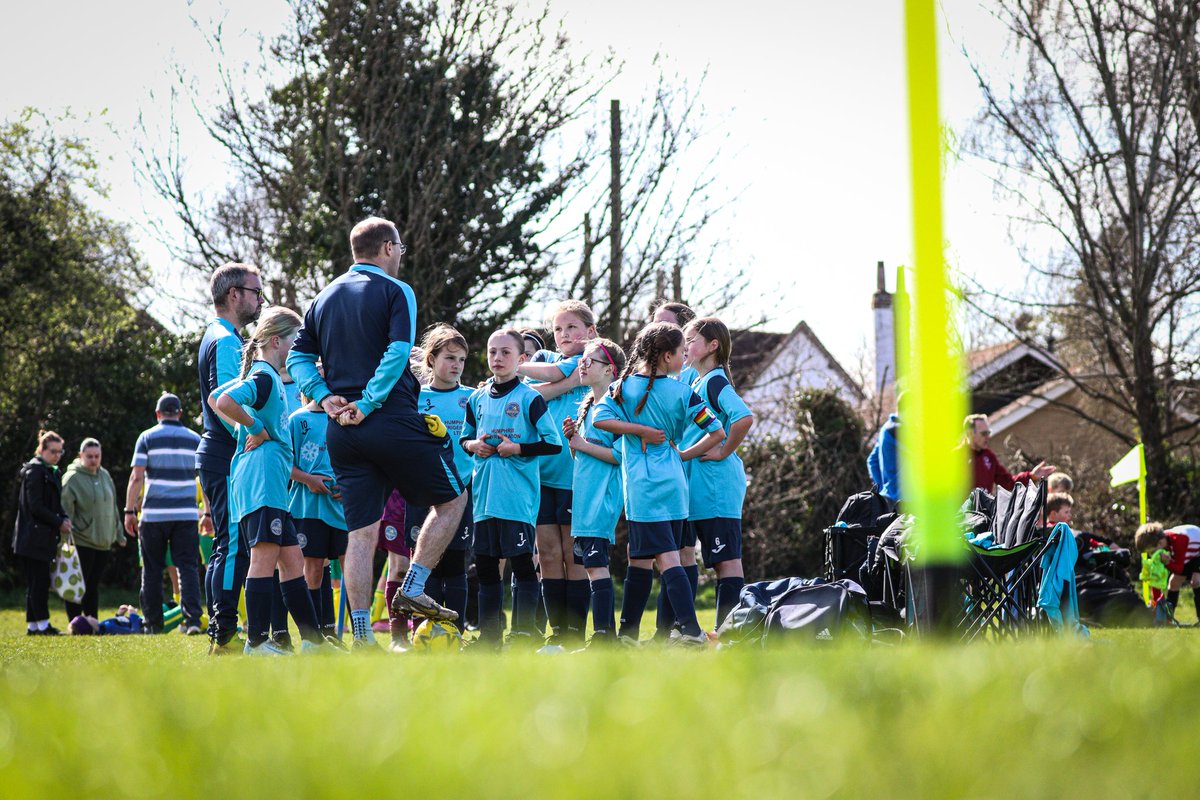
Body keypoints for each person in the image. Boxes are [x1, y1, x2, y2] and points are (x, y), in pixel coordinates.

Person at [287, 216, 469, 648]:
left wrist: (324, 396)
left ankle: (364, 637)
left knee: (361, 534)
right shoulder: (396, 290)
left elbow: (297, 357)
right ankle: (412, 587)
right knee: (453, 497)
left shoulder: (322, 297)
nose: (401, 256)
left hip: (342, 432)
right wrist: (367, 403)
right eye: (401, 248)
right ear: (388, 248)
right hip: (387, 419)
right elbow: (399, 351)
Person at [593, 321, 725, 647]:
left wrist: (637, 430)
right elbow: (718, 431)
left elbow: (599, 419)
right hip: (674, 485)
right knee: (638, 556)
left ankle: (692, 631)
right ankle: (628, 635)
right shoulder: (684, 391)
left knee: (666, 558)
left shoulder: (623, 388)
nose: (684, 357)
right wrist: (683, 454)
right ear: (667, 356)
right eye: (682, 351)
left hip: (643, 488)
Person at [210, 306, 333, 655]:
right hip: (261, 480)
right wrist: (255, 427)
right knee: (263, 558)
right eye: (297, 342)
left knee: (292, 560)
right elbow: (223, 400)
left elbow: (214, 398)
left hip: (275, 483)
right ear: (277, 341)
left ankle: (312, 642)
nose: (301, 350)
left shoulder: (270, 377)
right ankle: (256, 642)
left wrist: (252, 425)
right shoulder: (264, 376)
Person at [462, 329, 563, 648]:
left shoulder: (529, 398)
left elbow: (553, 444)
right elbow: (464, 438)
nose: (497, 358)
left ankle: (522, 632)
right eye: (492, 352)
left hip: (517, 499)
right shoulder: (476, 399)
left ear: (521, 359)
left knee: (521, 565)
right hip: (484, 499)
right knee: (488, 567)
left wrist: (516, 449)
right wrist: (473, 444)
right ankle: (490, 637)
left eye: (505, 353)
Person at [516, 300, 596, 648]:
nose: (564, 334)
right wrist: (560, 386)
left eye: (572, 327)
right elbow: (527, 393)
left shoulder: (594, 359)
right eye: (559, 328)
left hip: (576, 475)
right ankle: (557, 632)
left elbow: (542, 380)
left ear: (590, 331)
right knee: (548, 553)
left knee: (573, 553)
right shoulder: (548, 360)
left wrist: (527, 368)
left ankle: (576, 632)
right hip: (541, 473)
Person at [197, 261, 264, 653]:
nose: (259, 299)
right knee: (234, 545)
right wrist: (253, 432)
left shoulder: (219, 335)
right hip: (226, 454)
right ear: (234, 294)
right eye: (256, 292)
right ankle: (224, 637)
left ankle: (221, 633)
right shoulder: (225, 339)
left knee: (226, 544)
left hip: (218, 454)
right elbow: (220, 400)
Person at [681, 318, 755, 629]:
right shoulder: (695, 381)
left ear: (713, 346)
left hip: (717, 485)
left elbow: (743, 417)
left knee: (727, 562)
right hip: (698, 485)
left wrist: (724, 451)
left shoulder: (715, 381)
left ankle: (727, 632)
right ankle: (699, 630)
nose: (686, 346)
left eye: (692, 340)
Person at [408, 324, 476, 631]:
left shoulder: (473, 398)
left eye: (461, 359)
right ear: (432, 360)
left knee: (455, 566)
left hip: (462, 490)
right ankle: (427, 630)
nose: (457, 365)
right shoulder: (415, 398)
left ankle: (455, 632)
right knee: (427, 564)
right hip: (422, 491)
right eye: (450, 358)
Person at [562, 338, 627, 644]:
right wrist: (575, 440)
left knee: (597, 567)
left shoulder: (614, 408)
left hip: (602, 499)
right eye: (582, 360)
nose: (582, 365)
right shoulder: (588, 405)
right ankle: (602, 635)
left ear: (610, 371)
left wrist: (581, 444)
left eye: (590, 361)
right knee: (591, 568)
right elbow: (584, 455)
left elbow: (619, 455)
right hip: (585, 499)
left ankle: (604, 637)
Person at [125, 393, 204, 635]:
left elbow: (137, 477)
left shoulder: (146, 437)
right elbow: (205, 479)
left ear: (158, 414)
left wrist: (129, 510)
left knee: (151, 569)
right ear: (179, 413)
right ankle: (192, 621)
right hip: (186, 514)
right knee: (188, 567)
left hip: (154, 515)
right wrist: (208, 513)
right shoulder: (194, 439)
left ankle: (153, 624)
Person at [288, 391, 347, 639]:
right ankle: (315, 637)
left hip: (344, 510)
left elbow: (361, 462)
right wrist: (308, 479)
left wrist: (349, 485)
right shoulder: (297, 420)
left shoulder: (346, 418)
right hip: (308, 507)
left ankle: (362, 635)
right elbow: (284, 462)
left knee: (352, 568)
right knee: (312, 568)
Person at [13, 431, 71, 635]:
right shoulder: (35, 472)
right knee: (38, 582)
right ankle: (42, 625)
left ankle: (34, 627)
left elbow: (54, 503)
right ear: (42, 450)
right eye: (52, 451)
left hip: (44, 536)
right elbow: (35, 506)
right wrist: (58, 522)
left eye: (59, 452)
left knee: (38, 581)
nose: (56, 455)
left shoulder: (51, 471)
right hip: (32, 537)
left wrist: (63, 517)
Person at [60, 438, 124, 623]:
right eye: (89, 456)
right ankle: (75, 622)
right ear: (81, 456)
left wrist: (118, 533)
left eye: (97, 456)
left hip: (103, 540)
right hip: (81, 540)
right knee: (78, 585)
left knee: (93, 585)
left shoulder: (105, 475)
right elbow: (65, 511)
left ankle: (91, 621)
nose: (94, 460)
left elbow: (112, 507)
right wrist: (65, 540)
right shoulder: (72, 478)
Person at [962, 414, 1055, 492]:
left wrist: (1031, 476)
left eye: (988, 433)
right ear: (969, 434)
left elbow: (1008, 482)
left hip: (982, 512)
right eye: (983, 434)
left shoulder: (988, 456)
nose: (988, 437)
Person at [867, 397, 902, 506]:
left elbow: (872, 461)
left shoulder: (886, 428)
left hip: (888, 498)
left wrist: (883, 489)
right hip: (904, 501)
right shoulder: (898, 430)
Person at [1134, 524, 1171, 610]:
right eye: (1149, 553)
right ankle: (1158, 610)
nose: (1152, 555)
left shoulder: (1171, 547)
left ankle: (1166, 613)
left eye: (1152, 552)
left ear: (1159, 543)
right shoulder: (1156, 559)